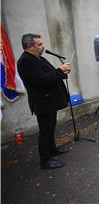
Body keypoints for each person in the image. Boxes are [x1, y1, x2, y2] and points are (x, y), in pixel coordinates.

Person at [17, 33, 71, 169]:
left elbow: (51, 74)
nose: (43, 47)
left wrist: (62, 72)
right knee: (45, 131)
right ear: (29, 46)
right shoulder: (26, 61)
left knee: (51, 126)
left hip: (50, 101)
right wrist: (60, 70)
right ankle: (45, 160)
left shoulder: (39, 58)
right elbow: (41, 80)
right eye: (39, 44)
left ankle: (52, 149)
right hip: (43, 102)